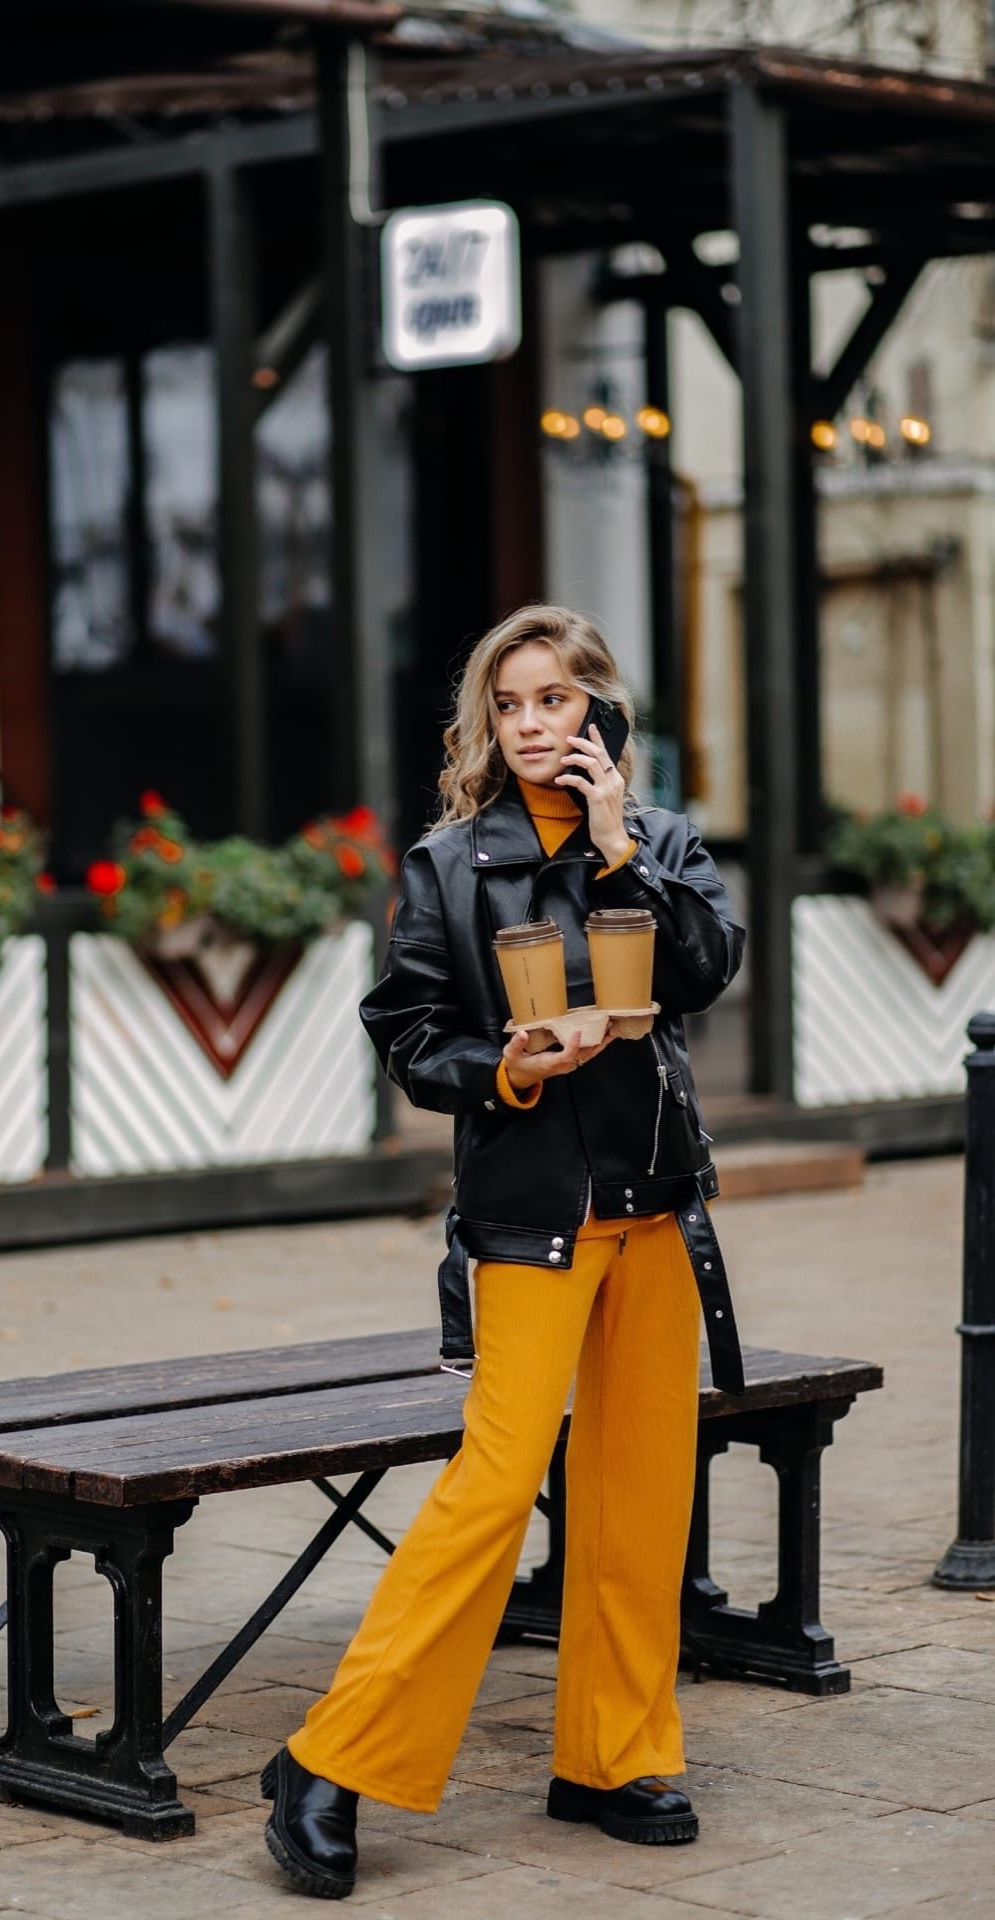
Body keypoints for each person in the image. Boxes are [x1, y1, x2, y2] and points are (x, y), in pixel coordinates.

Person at [261, 604, 746, 1899]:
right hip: (529, 1214)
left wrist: (617, 850)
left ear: (597, 710)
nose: (534, 724)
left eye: (555, 699)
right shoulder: (449, 865)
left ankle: (611, 1753)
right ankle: (329, 1758)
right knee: (490, 1490)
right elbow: (408, 1030)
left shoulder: (654, 842)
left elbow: (703, 970)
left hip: (654, 1208)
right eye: (512, 704)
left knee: (641, 1499)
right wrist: (506, 1068)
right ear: (489, 724)